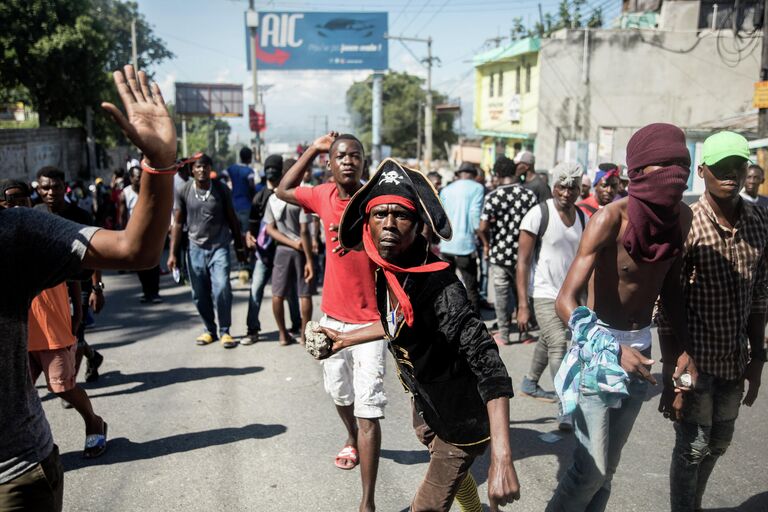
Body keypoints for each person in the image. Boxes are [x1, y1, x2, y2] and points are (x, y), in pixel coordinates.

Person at [0, 64, 176, 511]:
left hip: (13, 475)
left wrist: (159, 165)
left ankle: (93, 421)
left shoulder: (19, 230)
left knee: (62, 386)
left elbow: (135, 249)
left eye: (49, 186)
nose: (46, 191)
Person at [328, 158, 521, 512]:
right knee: (456, 478)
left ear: (419, 227)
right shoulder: (391, 271)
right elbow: (398, 321)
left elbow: (490, 365)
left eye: (400, 215)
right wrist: (344, 340)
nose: (388, 224)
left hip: (461, 420)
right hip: (427, 404)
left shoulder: (439, 285)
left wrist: (502, 458)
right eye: (379, 215)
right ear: (367, 224)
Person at [547, 123, 698, 512]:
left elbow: (673, 294)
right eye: (664, 164)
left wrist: (679, 359)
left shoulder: (682, 218)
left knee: (608, 471)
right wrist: (611, 349)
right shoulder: (609, 220)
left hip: (643, 353)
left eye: (681, 164)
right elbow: (566, 300)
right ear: (639, 170)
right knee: (589, 471)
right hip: (598, 351)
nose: (675, 174)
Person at [656, 131, 767, 512]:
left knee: (719, 443)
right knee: (692, 446)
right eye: (721, 167)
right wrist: (673, 371)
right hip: (695, 360)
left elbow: (760, 294)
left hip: (734, 360)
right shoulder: (687, 223)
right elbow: (665, 305)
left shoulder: (758, 220)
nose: (731, 174)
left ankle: (693, 504)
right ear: (701, 171)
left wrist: (758, 356)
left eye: (738, 165)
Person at [277, 132, 385, 512]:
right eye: (340, 156)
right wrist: (312, 148)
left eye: (355, 155)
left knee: (369, 408)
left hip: (372, 325)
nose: (348, 161)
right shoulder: (322, 195)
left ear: (363, 161)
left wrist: (364, 241)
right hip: (332, 320)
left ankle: (367, 502)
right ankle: (351, 437)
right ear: (330, 163)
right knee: (340, 394)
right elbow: (283, 189)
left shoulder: (377, 200)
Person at [515, 162, 587, 429]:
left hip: (569, 296)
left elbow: (586, 260)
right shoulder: (538, 214)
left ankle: (530, 382)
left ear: (579, 189)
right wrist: (523, 304)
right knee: (559, 343)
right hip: (543, 293)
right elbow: (522, 261)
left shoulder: (583, 219)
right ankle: (565, 406)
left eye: (572, 188)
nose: (566, 192)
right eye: (561, 186)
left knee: (548, 339)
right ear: (553, 187)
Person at [168, 154, 246, 349]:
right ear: (191, 170)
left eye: (205, 166)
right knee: (199, 293)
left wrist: (239, 246)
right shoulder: (184, 190)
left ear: (210, 168)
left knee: (221, 288)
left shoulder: (221, 189)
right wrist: (172, 254)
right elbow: (177, 223)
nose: (201, 170)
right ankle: (209, 330)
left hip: (219, 247)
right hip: (195, 248)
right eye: (197, 167)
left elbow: (232, 219)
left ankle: (225, 331)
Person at [36, 166, 105, 383]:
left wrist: (97, 288)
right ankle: (92, 357)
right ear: (38, 189)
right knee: (60, 337)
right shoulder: (34, 213)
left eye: (55, 187)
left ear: (64, 187)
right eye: (45, 188)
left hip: (79, 285)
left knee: (75, 334)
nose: (50, 192)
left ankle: (68, 382)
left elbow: (95, 254)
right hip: (46, 290)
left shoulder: (80, 216)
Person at [478, 155, 537, 345]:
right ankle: (524, 333)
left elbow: (482, 227)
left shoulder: (492, 197)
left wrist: (487, 245)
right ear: (514, 172)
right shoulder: (529, 195)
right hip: (524, 256)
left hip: (499, 255)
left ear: (496, 174)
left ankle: (503, 335)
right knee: (522, 293)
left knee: (502, 296)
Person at [242, 155, 300, 345]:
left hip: (284, 252)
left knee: (290, 291)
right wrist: (249, 236)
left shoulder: (288, 193)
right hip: (264, 254)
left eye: (274, 168)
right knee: (256, 289)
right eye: (268, 168)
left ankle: (297, 325)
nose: (271, 171)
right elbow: (252, 224)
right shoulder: (260, 196)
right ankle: (252, 329)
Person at [263, 169, 315, 345]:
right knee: (304, 294)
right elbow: (304, 230)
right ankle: (303, 335)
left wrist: (288, 243)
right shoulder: (299, 199)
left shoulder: (273, 199)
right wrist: (308, 258)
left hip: (282, 251)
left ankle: (283, 335)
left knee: (277, 294)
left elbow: (270, 229)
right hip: (300, 250)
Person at [439, 161, 485, 314]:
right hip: (465, 246)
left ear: (459, 174)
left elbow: (441, 216)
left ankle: (449, 317)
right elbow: (474, 215)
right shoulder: (477, 188)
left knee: (446, 286)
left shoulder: (446, 190)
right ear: (473, 175)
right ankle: (475, 321)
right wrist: (483, 238)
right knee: (471, 286)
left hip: (446, 245)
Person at [119, 165, 162, 303]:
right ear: (131, 179)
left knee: (154, 262)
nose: (140, 180)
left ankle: (154, 293)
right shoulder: (124, 194)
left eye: (142, 177)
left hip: (151, 231)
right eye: (138, 177)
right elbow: (122, 215)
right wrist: (123, 232)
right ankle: (146, 291)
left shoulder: (150, 190)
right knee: (140, 263)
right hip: (134, 233)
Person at [223, 146, 257, 232]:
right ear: (250, 158)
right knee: (246, 231)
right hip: (246, 205)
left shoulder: (232, 168)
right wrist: (254, 199)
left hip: (233, 204)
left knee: (236, 229)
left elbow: (221, 176)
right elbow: (251, 186)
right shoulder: (249, 171)